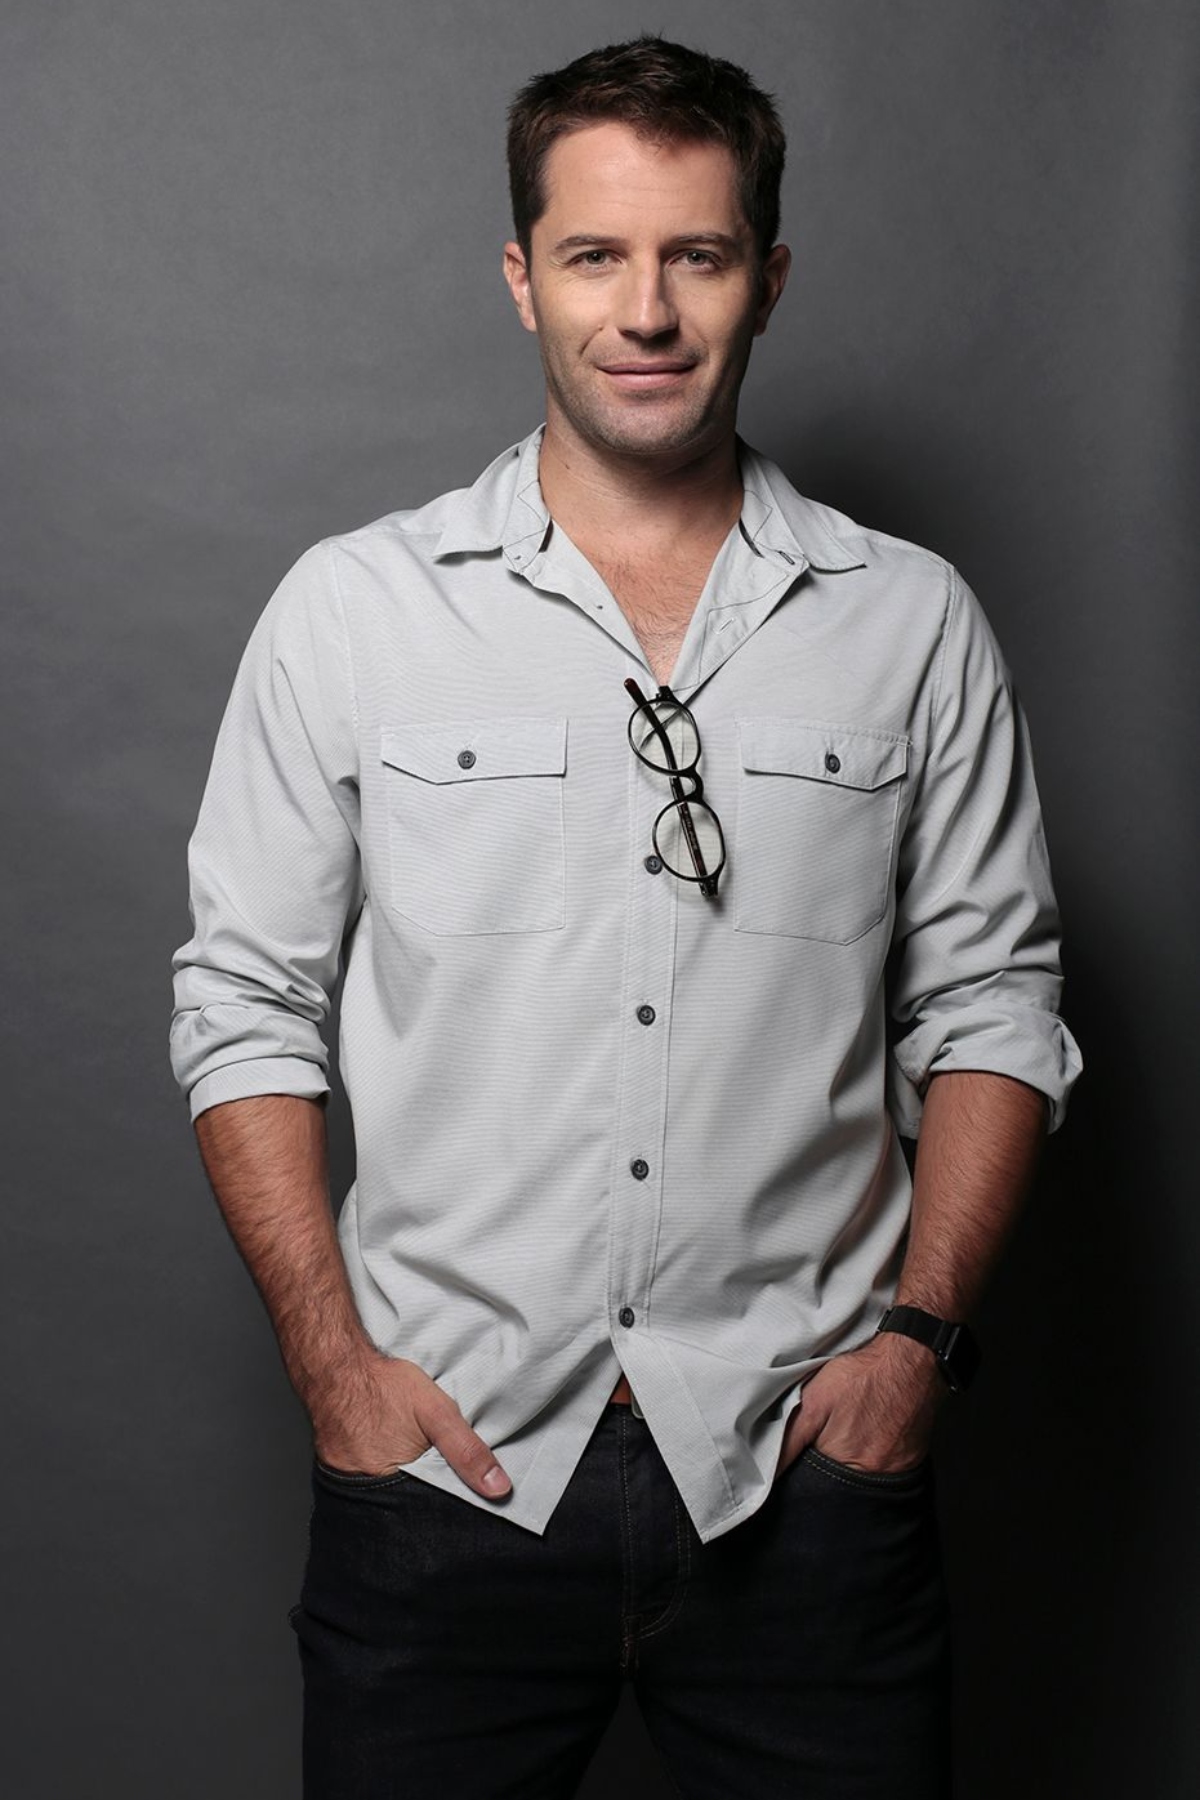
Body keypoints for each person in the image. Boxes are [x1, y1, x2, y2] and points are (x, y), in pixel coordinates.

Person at [169, 33, 1081, 1800]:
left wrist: (919, 1352)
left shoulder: (910, 621)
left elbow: (994, 1007)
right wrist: (331, 1363)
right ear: (523, 277)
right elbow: (244, 1006)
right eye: (595, 254)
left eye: (697, 256)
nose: (645, 310)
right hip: (442, 1476)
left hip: (807, 1483)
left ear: (769, 279)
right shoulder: (353, 612)